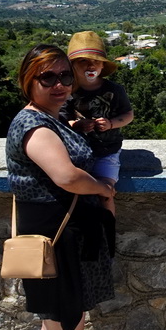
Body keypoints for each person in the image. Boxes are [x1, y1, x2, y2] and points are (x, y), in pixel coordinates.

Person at [5, 44, 124, 330]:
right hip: (54, 241)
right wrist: (104, 186)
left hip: (61, 235)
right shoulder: (35, 127)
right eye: (47, 77)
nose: (59, 84)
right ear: (29, 81)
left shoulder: (51, 119)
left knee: (53, 325)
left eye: (64, 76)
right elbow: (67, 177)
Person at [61, 31, 134, 217]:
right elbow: (59, 122)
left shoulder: (115, 90)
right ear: (72, 66)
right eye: (83, 61)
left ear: (102, 66)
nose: (90, 65)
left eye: (95, 61)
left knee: (106, 192)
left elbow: (128, 114)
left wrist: (111, 123)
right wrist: (77, 125)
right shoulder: (66, 91)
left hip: (107, 152)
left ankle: (107, 230)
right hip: (74, 155)